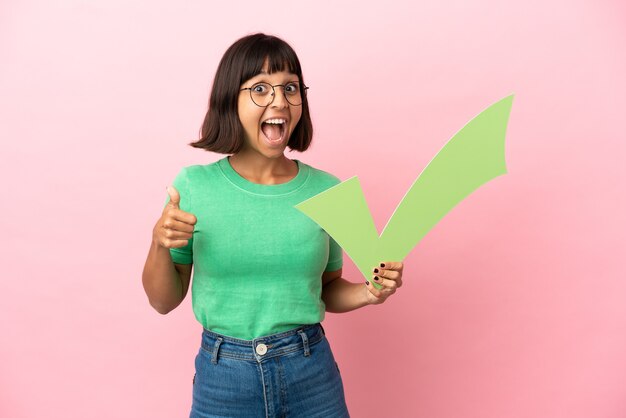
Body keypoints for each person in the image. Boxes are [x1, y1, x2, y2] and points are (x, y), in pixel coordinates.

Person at [142, 33, 404, 418]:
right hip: (223, 379)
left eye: (290, 88)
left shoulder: (328, 191)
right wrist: (159, 243)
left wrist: (369, 293)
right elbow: (163, 301)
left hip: (311, 374)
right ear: (231, 99)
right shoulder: (193, 187)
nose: (280, 100)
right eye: (261, 88)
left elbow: (327, 289)